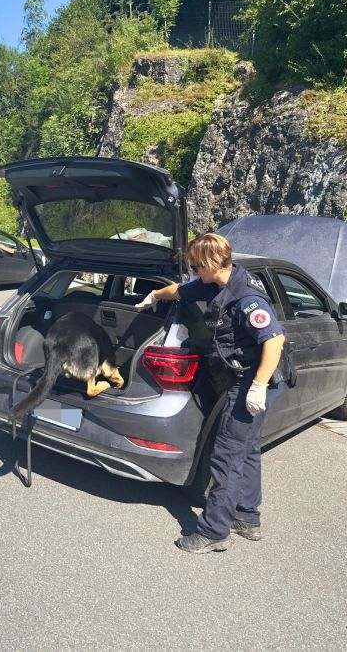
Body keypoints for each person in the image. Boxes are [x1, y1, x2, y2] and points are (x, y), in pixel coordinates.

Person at [137, 233, 285, 554]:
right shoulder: (216, 283)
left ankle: (215, 530)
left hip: (252, 380)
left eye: (195, 266)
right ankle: (247, 517)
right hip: (244, 377)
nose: (193, 271)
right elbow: (180, 291)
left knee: (226, 455)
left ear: (211, 264)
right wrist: (154, 295)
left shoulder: (247, 299)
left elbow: (274, 341)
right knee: (246, 450)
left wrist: (258, 385)